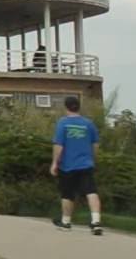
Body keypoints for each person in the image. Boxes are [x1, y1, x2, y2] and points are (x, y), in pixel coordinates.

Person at [51, 96, 102, 235]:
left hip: (68, 165)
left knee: (67, 194)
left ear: (66, 107)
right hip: (86, 164)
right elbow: (95, 144)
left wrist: (55, 162)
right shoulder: (88, 124)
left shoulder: (63, 123)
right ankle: (96, 221)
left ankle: (66, 222)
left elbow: (59, 145)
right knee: (91, 191)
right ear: (78, 106)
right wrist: (92, 158)